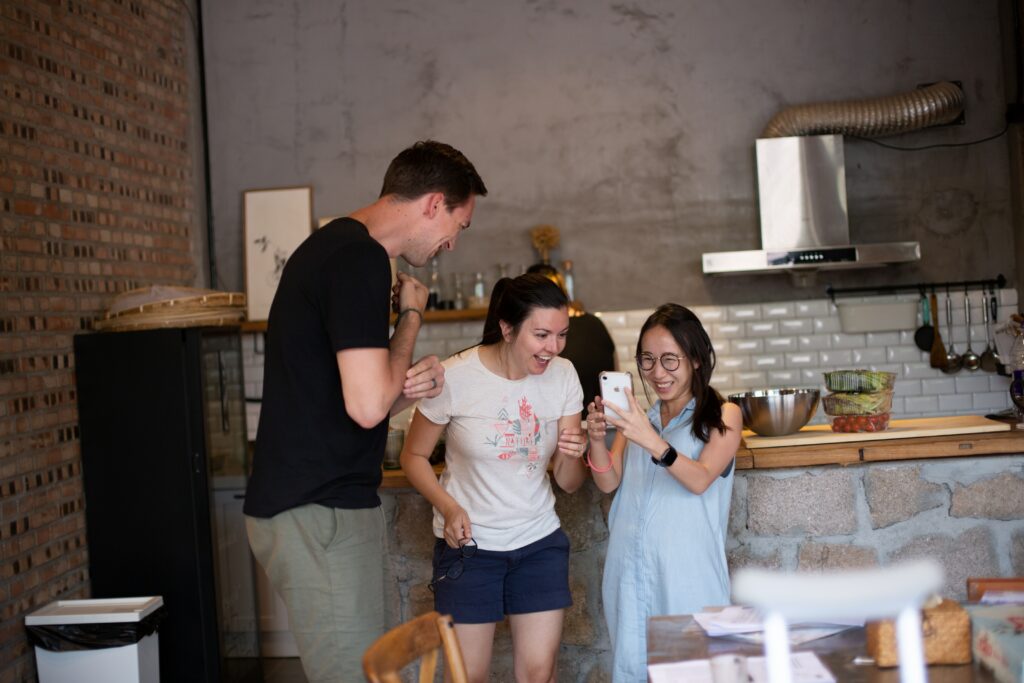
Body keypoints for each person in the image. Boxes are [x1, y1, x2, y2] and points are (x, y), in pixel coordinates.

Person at [243, 140, 487, 683]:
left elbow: (358, 399)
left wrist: (408, 387)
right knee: (355, 678)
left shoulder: (341, 251)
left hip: (323, 504)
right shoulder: (359, 259)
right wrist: (412, 316)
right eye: (459, 225)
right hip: (319, 507)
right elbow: (369, 405)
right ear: (432, 203)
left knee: (372, 669)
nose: (452, 243)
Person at [400, 273, 590, 683]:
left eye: (561, 335)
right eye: (541, 335)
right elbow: (412, 456)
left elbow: (569, 482)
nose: (553, 348)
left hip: (538, 542)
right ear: (507, 328)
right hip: (469, 550)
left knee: (539, 674)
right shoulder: (455, 377)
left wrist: (577, 451)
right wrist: (448, 508)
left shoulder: (564, 375)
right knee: (470, 677)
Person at [584, 303, 743, 683]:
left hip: (685, 575)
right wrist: (596, 440)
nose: (657, 372)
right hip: (629, 572)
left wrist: (651, 440)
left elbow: (701, 478)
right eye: (648, 360)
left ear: (697, 360)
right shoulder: (639, 420)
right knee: (633, 671)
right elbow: (609, 481)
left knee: (692, 674)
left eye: (670, 360)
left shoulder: (724, 415)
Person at [525, 262, 617, 407]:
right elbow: (615, 374)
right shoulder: (595, 323)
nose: (553, 346)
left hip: (571, 422)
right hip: (603, 419)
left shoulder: (540, 344)